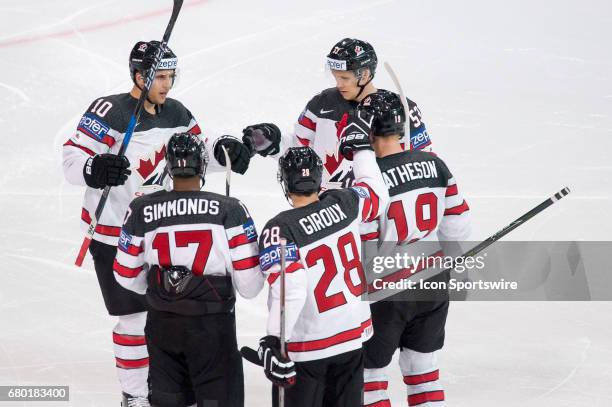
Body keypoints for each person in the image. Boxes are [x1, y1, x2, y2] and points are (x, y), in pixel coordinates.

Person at [62, 40, 251, 406]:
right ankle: (134, 396)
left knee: (166, 320)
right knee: (133, 321)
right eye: (160, 77)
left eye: (170, 76)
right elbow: (71, 157)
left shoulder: (177, 112)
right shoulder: (110, 112)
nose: (167, 85)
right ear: (138, 75)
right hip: (114, 233)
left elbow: (195, 152)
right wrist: (95, 167)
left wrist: (224, 148)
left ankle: (171, 389)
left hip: (160, 233)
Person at [244, 117, 389, 407]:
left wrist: (274, 340)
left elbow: (292, 288)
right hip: (351, 338)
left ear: (286, 182)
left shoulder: (280, 229)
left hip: (307, 348)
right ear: (319, 177)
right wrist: (361, 150)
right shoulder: (345, 202)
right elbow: (377, 194)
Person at [113, 132, 265, 406]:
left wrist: (163, 290)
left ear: (169, 167)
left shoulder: (140, 208)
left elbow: (125, 273)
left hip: (162, 327)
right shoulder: (231, 210)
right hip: (212, 329)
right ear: (203, 165)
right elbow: (250, 287)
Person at [356, 90, 471, 407]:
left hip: (386, 291)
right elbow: (458, 224)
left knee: (371, 378)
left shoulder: (368, 180)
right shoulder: (435, 164)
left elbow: (362, 244)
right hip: (433, 283)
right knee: (424, 372)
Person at [242, 37, 433, 190]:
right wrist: (274, 143)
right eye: (335, 77)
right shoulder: (321, 104)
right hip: (330, 212)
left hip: (377, 214)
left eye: (344, 78)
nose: (339, 84)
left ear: (364, 75)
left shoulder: (398, 109)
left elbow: (424, 165)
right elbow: (300, 147)